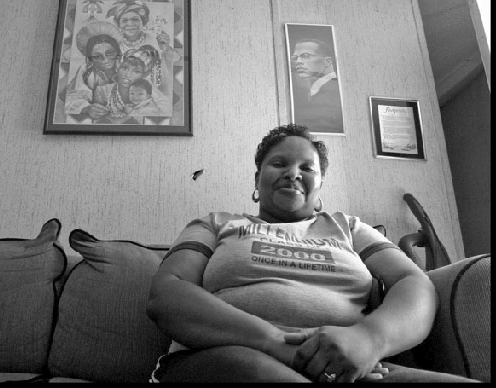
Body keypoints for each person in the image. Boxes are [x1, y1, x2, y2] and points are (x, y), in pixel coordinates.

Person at [146, 123, 479, 383]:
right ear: (257, 179)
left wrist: (368, 339)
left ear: (319, 188)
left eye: (307, 168)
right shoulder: (217, 223)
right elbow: (168, 292)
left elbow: (413, 282)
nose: (293, 173)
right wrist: (274, 342)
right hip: (228, 358)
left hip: (348, 368)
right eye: (279, 163)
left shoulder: (348, 228)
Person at [91, 46, 170, 124]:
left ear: (143, 75)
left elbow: (165, 111)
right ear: (118, 68)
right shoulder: (102, 91)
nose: (128, 74)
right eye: (124, 68)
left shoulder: (150, 92)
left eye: (136, 71)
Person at [64, 21, 123, 124]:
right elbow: (74, 99)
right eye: (97, 56)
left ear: (117, 52)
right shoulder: (86, 71)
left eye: (110, 53)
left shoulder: (129, 66)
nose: (105, 60)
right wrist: (87, 108)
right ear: (90, 58)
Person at [291, 38, 344, 134]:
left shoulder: (335, 92)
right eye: (295, 58)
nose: (298, 62)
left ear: (327, 62)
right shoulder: (316, 89)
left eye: (305, 56)